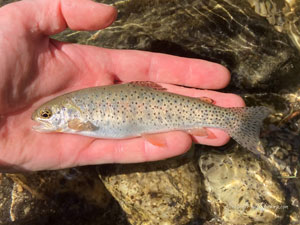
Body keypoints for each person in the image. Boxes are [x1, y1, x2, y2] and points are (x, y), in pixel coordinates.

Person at [0, 0, 244, 172]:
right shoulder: (76, 115)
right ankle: (236, 120)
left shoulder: (78, 117)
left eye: (46, 114)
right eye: (46, 114)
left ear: (67, 113)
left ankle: (235, 120)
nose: (43, 118)